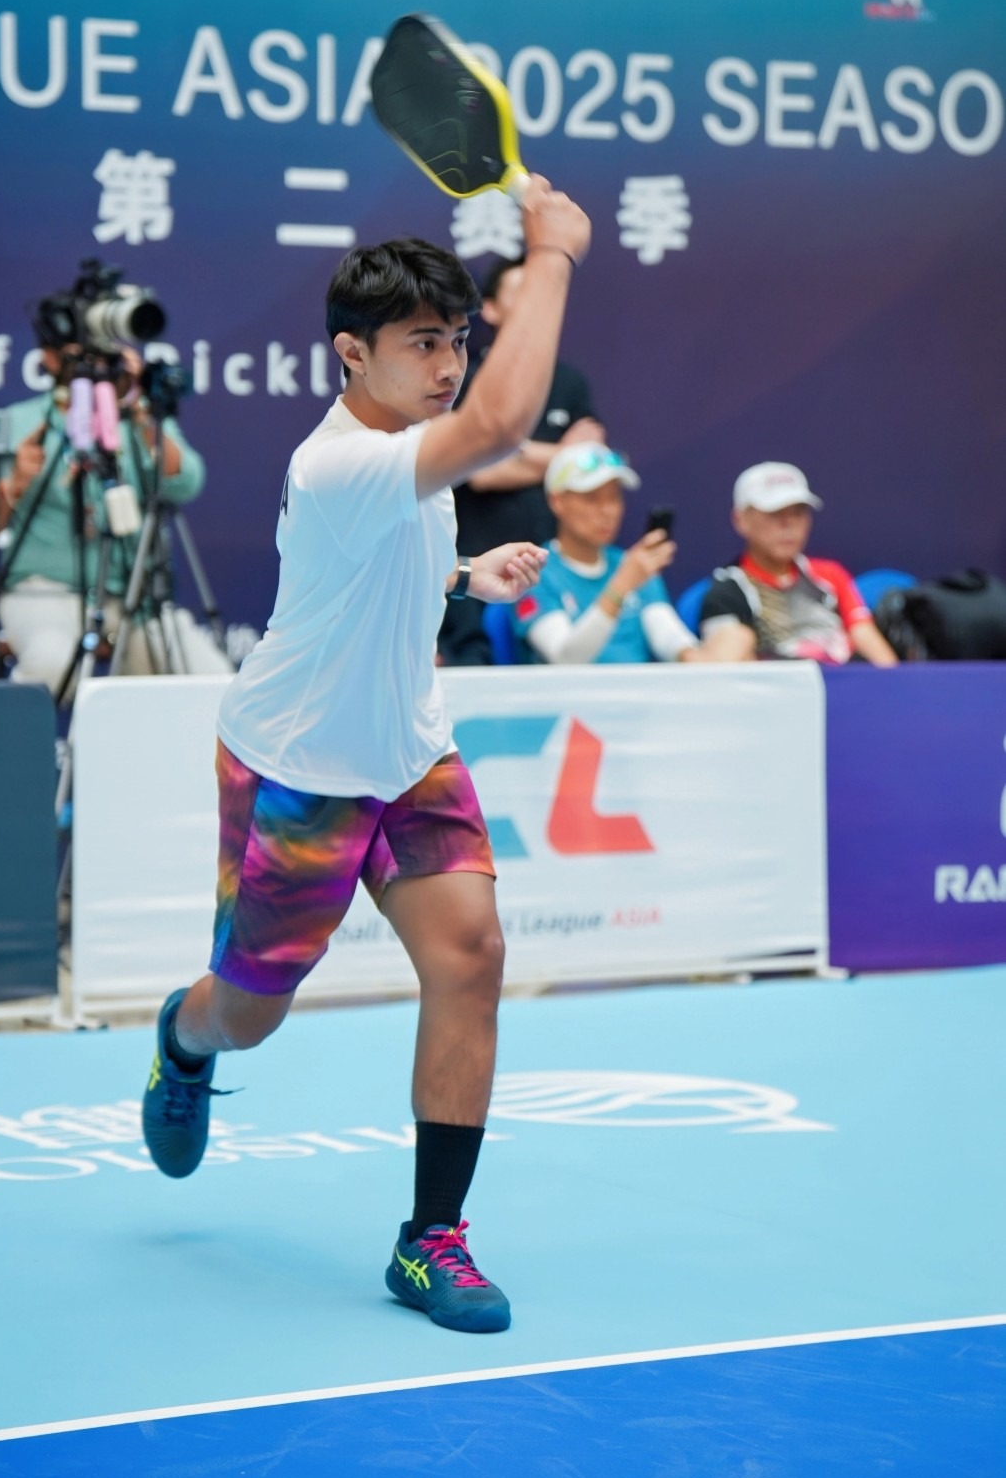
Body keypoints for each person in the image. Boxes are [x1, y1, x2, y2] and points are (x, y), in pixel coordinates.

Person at [140, 178, 592, 1335]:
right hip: (297, 765)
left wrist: (463, 576)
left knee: (471, 953)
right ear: (351, 352)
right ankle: (182, 1039)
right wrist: (549, 256)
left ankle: (428, 1239)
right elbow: (498, 430)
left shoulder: (400, 453)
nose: (447, 364)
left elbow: (383, 567)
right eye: (422, 342)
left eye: (458, 339)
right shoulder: (340, 461)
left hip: (408, 751)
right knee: (250, 1013)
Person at [0, 338, 230, 698]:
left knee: (211, 681)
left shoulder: (136, 416)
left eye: (105, 354)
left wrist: (137, 403)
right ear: (50, 358)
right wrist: (14, 484)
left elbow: (187, 483)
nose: (96, 364)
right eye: (83, 354)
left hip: (133, 602)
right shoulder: (19, 421)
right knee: (49, 666)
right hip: (44, 594)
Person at [436, 253, 604, 664]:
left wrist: (510, 450)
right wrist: (561, 456)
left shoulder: (570, 382)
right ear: (491, 309)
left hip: (550, 567)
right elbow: (479, 472)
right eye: (521, 292)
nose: (534, 302)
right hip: (476, 560)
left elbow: (591, 462)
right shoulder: (463, 380)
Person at [513, 442, 726, 665]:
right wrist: (622, 585)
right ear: (557, 502)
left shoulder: (631, 564)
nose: (607, 510)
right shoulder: (533, 571)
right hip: (571, 689)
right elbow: (566, 659)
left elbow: (668, 636)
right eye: (591, 498)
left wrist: (699, 661)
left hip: (638, 686)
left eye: (614, 497)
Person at [698, 462, 898, 665]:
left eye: (798, 512)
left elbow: (877, 653)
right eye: (774, 513)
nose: (789, 524)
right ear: (741, 520)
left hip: (847, 681)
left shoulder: (831, 574)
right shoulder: (726, 592)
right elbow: (725, 666)